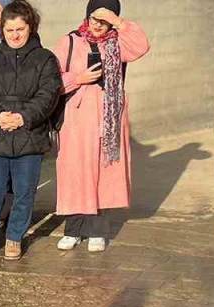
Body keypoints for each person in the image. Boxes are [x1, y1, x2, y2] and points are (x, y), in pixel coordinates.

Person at [52, 0, 149, 253]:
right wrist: (78, 79)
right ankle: (73, 230)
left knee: (104, 174)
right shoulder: (69, 41)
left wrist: (118, 23)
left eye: (104, 19)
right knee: (76, 172)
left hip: (110, 118)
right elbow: (50, 79)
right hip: (76, 118)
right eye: (94, 17)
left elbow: (142, 45)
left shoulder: (119, 43)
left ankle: (97, 231)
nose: (97, 24)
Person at [0, 0, 60, 261]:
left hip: (29, 134)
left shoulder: (45, 59)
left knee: (24, 190)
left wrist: (23, 117)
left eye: (20, 29)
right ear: (2, 30)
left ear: (30, 27)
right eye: (10, 30)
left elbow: (48, 93)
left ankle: (14, 236)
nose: (15, 35)